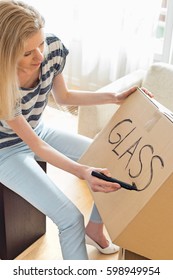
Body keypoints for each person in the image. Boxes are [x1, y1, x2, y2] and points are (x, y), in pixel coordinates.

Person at [0, 0, 151, 260]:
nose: (39, 56)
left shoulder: (53, 48)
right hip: (6, 150)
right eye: (27, 53)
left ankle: (94, 229)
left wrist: (114, 97)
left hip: (38, 129)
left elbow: (65, 97)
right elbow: (37, 148)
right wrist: (82, 171)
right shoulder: (3, 82)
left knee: (113, 160)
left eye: (40, 43)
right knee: (69, 218)